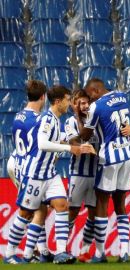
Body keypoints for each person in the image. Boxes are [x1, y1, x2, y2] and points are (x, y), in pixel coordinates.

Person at [11, 85, 94, 264]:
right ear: (58, 102)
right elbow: (42, 143)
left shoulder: (55, 119)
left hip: (49, 173)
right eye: (67, 99)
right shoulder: (47, 119)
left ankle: (60, 252)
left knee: (62, 205)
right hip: (35, 172)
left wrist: (77, 144)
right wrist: (71, 148)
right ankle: (11, 253)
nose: (69, 103)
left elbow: (54, 138)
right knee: (26, 213)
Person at [77, 78, 130, 263]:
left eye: (89, 95)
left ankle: (100, 253)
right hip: (127, 155)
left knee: (102, 203)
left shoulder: (97, 107)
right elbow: (127, 126)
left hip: (109, 158)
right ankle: (125, 252)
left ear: (95, 91)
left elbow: (86, 135)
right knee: (121, 204)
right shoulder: (122, 97)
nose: (89, 100)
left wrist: (81, 121)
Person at [4, 81, 54, 264]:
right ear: (43, 97)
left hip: (16, 161)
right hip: (28, 168)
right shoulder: (39, 120)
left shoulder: (19, 116)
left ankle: (39, 251)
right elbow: (40, 147)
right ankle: (11, 254)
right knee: (28, 211)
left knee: (39, 209)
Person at [64, 90, 98, 262]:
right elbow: (74, 144)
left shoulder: (96, 121)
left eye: (87, 103)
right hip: (78, 174)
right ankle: (63, 248)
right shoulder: (70, 122)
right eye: (81, 103)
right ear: (75, 105)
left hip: (96, 174)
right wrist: (86, 145)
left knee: (93, 212)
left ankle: (85, 250)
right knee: (73, 211)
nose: (85, 106)